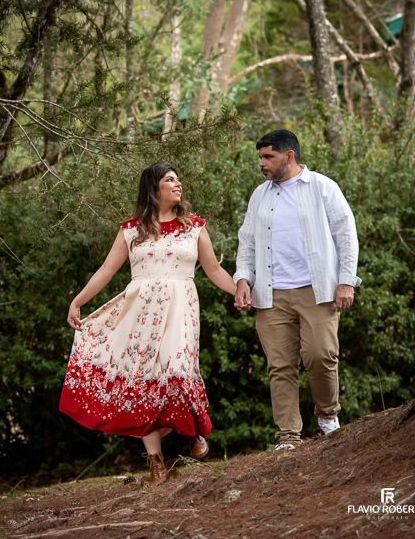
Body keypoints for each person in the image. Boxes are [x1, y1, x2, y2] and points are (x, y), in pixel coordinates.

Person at [60, 163, 237, 485]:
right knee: (145, 384)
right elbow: (106, 270)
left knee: (178, 371)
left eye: (178, 179)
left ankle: (194, 429)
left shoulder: (194, 227)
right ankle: (156, 464)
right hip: (139, 316)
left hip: (181, 311)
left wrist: (239, 289)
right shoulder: (131, 230)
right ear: (153, 189)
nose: (178, 184)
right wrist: (78, 301)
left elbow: (213, 271)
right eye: (170, 180)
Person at [233, 129, 359, 450]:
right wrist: (243, 280)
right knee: (280, 367)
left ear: (288, 156)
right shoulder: (260, 194)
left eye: (268, 157)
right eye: (260, 157)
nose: (261, 163)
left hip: (317, 290)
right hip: (271, 295)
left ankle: (328, 418)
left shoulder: (322, 187)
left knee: (321, 355)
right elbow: (246, 242)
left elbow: (346, 234)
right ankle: (288, 436)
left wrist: (347, 280)